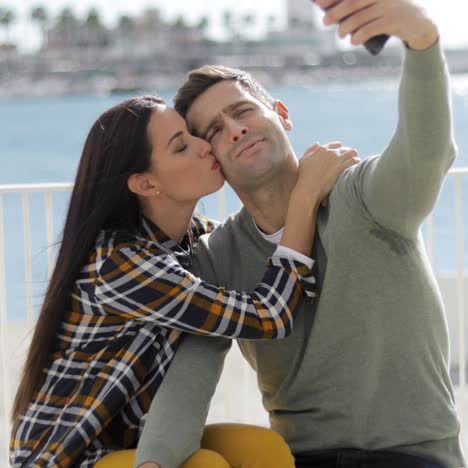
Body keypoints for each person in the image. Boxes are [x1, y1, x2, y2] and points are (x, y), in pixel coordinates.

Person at [134, 1, 466, 468]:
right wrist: (154, 462)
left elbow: (427, 152)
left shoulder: (363, 195)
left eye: (242, 110)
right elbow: (192, 374)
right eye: (215, 130)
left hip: (413, 456)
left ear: (281, 114)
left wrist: (422, 38)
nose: (235, 129)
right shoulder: (217, 257)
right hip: (301, 459)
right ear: (212, 159)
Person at [9, 95, 358, 467]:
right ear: (145, 183)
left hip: (139, 440)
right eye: (182, 145)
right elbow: (269, 317)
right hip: (70, 458)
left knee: (263, 450)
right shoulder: (120, 265)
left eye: (193, 134)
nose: (205, 145)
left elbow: (252, 257)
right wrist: (304, 197)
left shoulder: (191, 242)